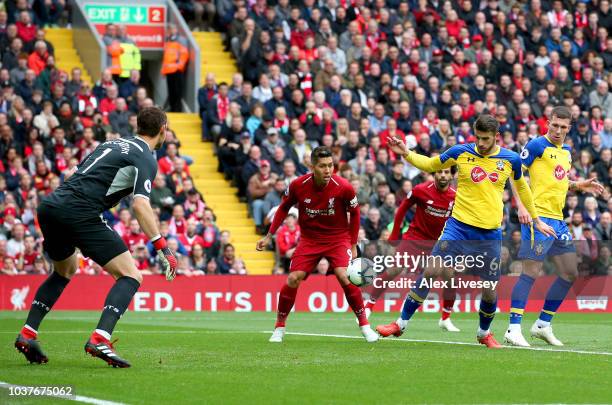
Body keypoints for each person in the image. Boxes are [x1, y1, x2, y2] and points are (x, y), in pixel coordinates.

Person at [14, 107, 178, 368]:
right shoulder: (146, 157)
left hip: (51, 206)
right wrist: (162, 247)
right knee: (131, 275)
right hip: (80, 211)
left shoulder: (111, 144)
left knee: (65, 269)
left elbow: (75, 175)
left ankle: (28, 333)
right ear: (163, 129)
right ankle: (100, 338)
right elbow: (140, 205)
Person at [376, 114, 556, 348]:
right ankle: (401, 324)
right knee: (431, 270)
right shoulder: (460, 151)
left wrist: (536, 219)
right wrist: (406, 153)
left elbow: (522, 188)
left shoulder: (510, 159)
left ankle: (483, 333)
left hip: (489, 234)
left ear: (496, 137)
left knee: (489, 290)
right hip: (458, 227)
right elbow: (431, 164)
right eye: (478, 138)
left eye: (486, 139)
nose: (481, 143)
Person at [256, 146, 378, 343]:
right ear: (312, 167)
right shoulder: (298, 185)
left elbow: (355, 213)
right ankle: (279, 327)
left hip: (337, 239)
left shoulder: (344, 186)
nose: (328, 170)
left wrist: (353, 245)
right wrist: (269, 235)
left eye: (330, 165)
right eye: (322, 166)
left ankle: (364, 326)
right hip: (310, 239)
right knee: (293, 278)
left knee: (344, 277)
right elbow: (283, 207)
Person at [505, 106, 604, 347]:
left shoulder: (567, 152)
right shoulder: (537, 145)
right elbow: (513, 171)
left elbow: (558, 181)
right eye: (554, 125)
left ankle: (542, 325)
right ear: (548, 123)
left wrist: (579, 184)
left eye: (563, 127)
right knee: (531, 271)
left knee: (570, 272)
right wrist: (522, 206)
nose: (558, 130)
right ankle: (513, 328)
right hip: (537, 217)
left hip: (558, 221)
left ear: (569, 128)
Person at [365, 167, 460, 332]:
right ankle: (369, 305)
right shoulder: (421, 190)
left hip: (439, 243)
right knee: (394, 268)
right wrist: (395, 233)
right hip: (415, 238)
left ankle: (445, 318)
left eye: (446, 172)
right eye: (439, 172)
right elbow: (403, 208)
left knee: (450, 276)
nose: (443, 175)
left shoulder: (456, 196)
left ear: (451, 175)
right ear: (434, 174)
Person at [161, 25, 189, 112]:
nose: (169, 31)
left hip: (177, 70)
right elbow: (166, 57)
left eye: (170, 29)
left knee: (178, 91)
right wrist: (163, 70)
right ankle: (173, 108)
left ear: (175, 29)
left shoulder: (181, 40)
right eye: (168, 29)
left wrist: (179, 66)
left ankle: (177, 109)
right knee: (171, 91)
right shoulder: (168, 40)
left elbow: (184, 54)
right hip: (169, 71)